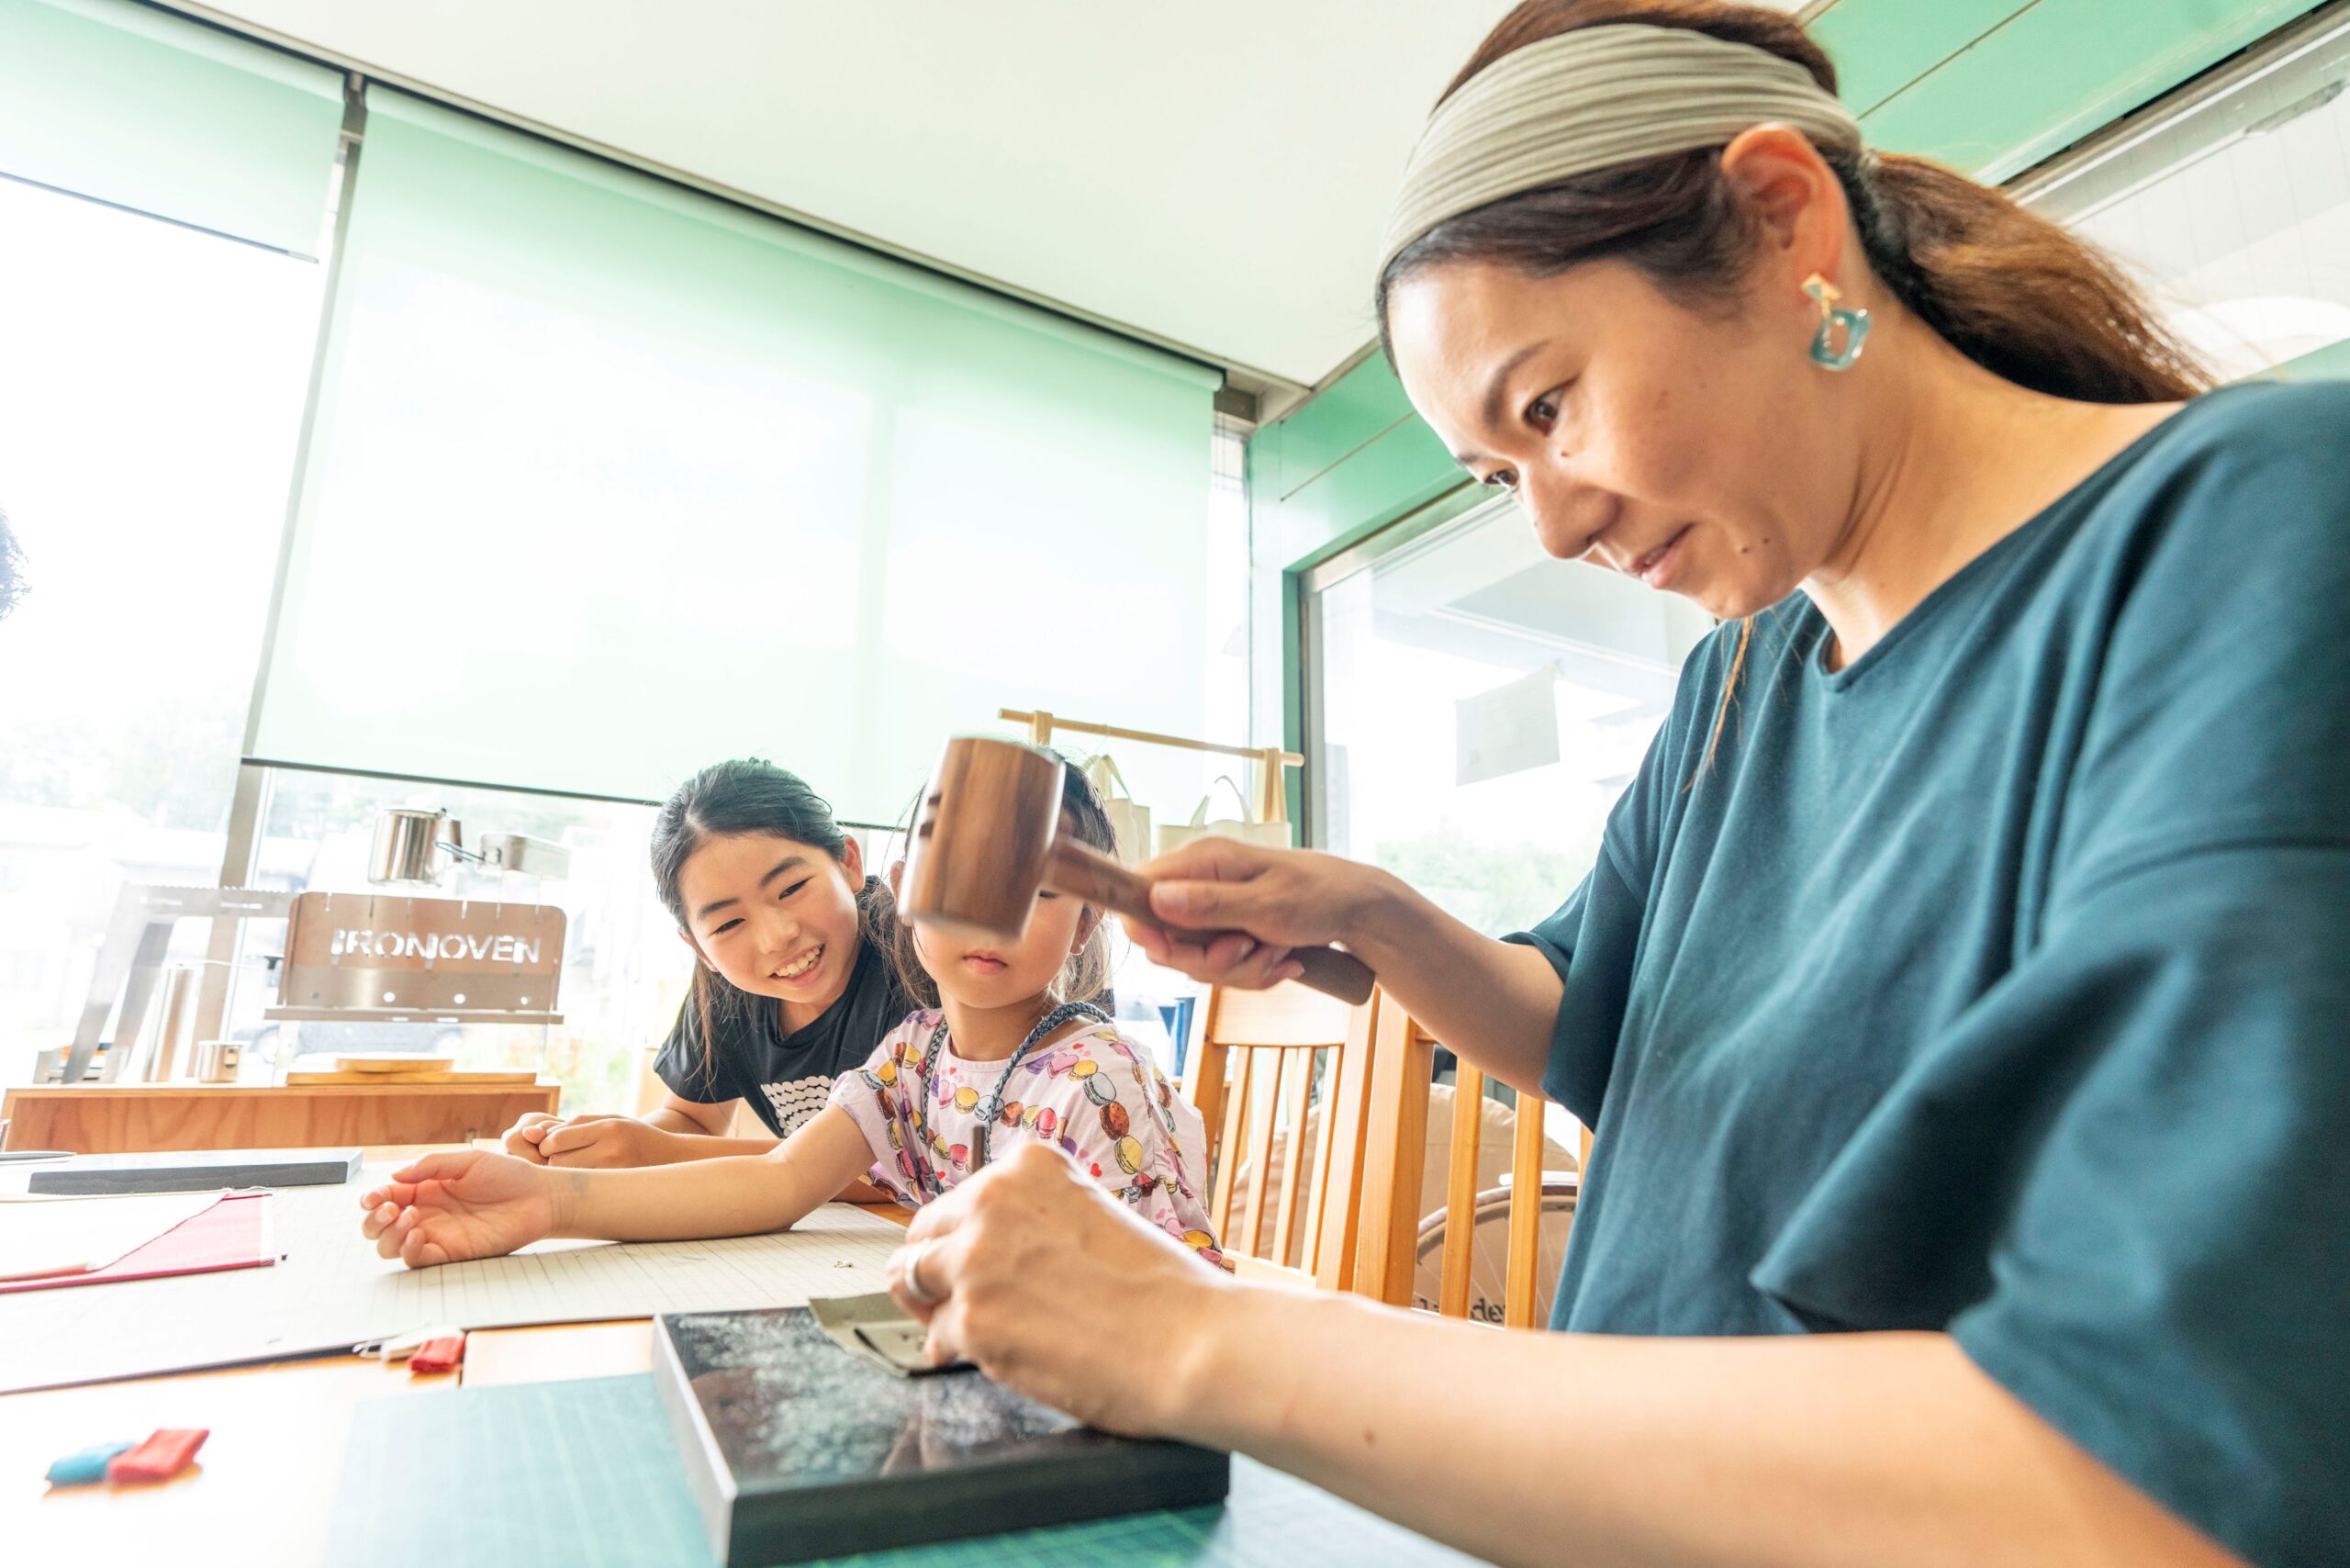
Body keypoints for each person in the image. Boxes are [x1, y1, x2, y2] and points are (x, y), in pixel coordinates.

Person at [867, 5, 2349, 1566]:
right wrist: (1373, 915)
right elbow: (1608, 1035)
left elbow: (2156, 1475)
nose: (1556, 527)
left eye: (1549, 407)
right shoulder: (1737, 684)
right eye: (1498, 475)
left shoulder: (2254, 532)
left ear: (1786, 221)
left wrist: (1193, 1335)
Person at [358, 760, 1225, 1271]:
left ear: (1088, 916)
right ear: (906, 893)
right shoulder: (909, 1061)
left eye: (1036, 892)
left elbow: (1169, 1287)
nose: (990, 918)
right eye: (962, 885)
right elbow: (777, 1181)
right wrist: (548, 1201)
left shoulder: (1095, 1077)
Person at [502, 760, 913, 1169]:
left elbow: (907, 1161)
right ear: (698, 948)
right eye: (729, 923)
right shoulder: (729, 988)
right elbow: (691, 1119)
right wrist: (591, 1143)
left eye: (791, 888)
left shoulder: (919, 954)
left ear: (849, 863)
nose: (776, 937)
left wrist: (661, 1152)